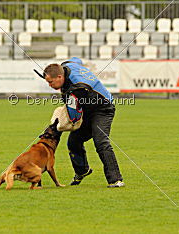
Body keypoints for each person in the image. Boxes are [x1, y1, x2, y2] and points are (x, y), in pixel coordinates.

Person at [42, 57, 124, 188]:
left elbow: (74, 112)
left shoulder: (79, 86)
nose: (50, 85)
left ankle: (116, 180)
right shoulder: (66, 65)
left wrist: (61, 123)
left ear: (59, 76)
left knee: (101, 141)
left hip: (103, 109)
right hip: (88, 110)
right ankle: (82, 171)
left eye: (51, 82)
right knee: (73, 142)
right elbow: (76, 59)